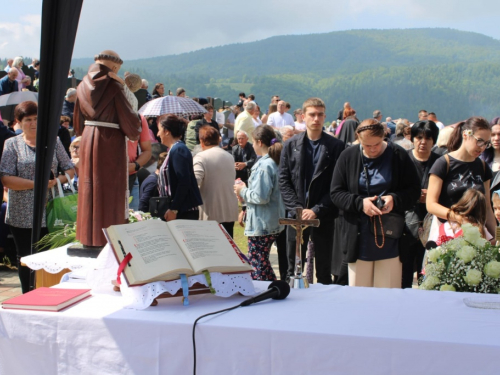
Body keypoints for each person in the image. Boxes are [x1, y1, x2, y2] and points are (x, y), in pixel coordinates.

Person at [330, 120, 420, 288]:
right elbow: (335, 193)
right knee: (358, 295)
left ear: (384, 136)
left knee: (388, 293)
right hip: (358, 237)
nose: (372, 149)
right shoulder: (348, 156)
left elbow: (414, 190)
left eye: (377, 144)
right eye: (367, 145)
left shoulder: (398, 155)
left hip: (390, 236)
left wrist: (394, 199)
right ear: (358, 138)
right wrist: (360, 203)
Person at [0, 101, 74, 293]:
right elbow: (6, 178)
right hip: (21, 213)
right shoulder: (12, 144)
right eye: (28, 120)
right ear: (19, 122)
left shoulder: (53, 141)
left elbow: (70, 169)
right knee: (25, 257)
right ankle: (28, 294)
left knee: (50, 257)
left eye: (36, 119)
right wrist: (37, 184)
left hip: (51, 210)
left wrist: (57, 179)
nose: (33, 123)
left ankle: (49, 292)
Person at [74, 50, 142, 248]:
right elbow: (130, 121)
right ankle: (109, 238)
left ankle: (88, 235)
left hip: (88, 138)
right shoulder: (114, 86)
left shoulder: (80, 86)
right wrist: (135, 128)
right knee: (110, 187)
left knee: (89, 186)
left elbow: (77, 122)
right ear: (114, 67)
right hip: (110, 141)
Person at [279, 98, 345, 285]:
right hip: (296, 215)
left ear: (325, 117)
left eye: (320, 114)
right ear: (302, 116)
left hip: (323, 213)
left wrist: (316, 209)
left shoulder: (336, 147)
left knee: (324, 268)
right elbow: (283, 180)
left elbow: (337, 185)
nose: (316, 118)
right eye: (312, 114)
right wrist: (298, 210)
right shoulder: (290, 145)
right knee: (293, 267)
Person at [427, 116, 496, 240]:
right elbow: (431, 204)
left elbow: (487, 206)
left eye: (486, 143)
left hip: (477, 235)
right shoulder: (443, 163)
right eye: (479, 141)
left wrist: (496, 238)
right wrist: (459, 218)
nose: (482, 147)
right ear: (465, 134)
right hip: (446, 234)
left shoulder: (483, 167)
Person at [234, 125, 285, 281]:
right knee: (262, 265)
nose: (252, 145)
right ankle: (274, 290)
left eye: (253, 142)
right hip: (269, 220)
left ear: (260, 142)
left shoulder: (264, 165)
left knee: (258, 267)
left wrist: (242, 189)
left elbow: (260, 197)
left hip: (262, 224)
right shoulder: (273, 162)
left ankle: (266, 295)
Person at [401, 120, 440, 288]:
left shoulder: (440, 162)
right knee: (404, 273)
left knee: (428, 273)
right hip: (406, 223)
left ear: (434, 140)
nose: (423, 142)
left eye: (428, 138)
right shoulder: (403, 159)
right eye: (419, 137)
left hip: (432, 224)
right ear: (412, 139)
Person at [193, 126, 238, 237]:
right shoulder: (229, 156)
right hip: (228, 211)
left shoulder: (201, 157)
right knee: (227, 248)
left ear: (201, 141)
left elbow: (194, 183)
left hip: (210, 212)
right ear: (218, 139)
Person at [157, 114, 202, 221]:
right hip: (176, 211)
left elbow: (184, 181)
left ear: (167, 131)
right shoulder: (174, 149)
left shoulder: (179, 150)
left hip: (182, 212)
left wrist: (174, 209)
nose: (157, 134)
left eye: (159, 130)